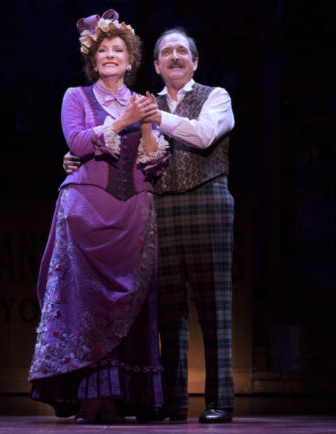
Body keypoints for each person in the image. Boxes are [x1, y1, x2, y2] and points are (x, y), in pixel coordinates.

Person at [64, 27, 236, 424]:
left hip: (207, 203)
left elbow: (205, 135)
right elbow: (113, 145)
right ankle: (171, 401)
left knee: (215, 306)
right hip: (158, 207)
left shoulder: (215, 96)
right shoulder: (141, 101)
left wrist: (157, 117)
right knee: (166, 307)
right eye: (166, 53)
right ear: (156, 65)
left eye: (182, 51)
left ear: (195, 61)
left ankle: (220, 400)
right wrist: (73, 159)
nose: (175, 57)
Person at [28, 9, 169, 425]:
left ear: (131, 60)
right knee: (85, 303)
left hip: (133, 213)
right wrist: (123, 120)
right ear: (94, 60)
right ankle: (87, 396)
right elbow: (76, 141)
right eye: (103, 50)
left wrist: (141, 123)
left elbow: (154, 163)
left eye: (118, 50)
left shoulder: (144, 101)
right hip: (86, 213)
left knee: (132, 301)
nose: (110, 56)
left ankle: (124, 397)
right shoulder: (76, 96)